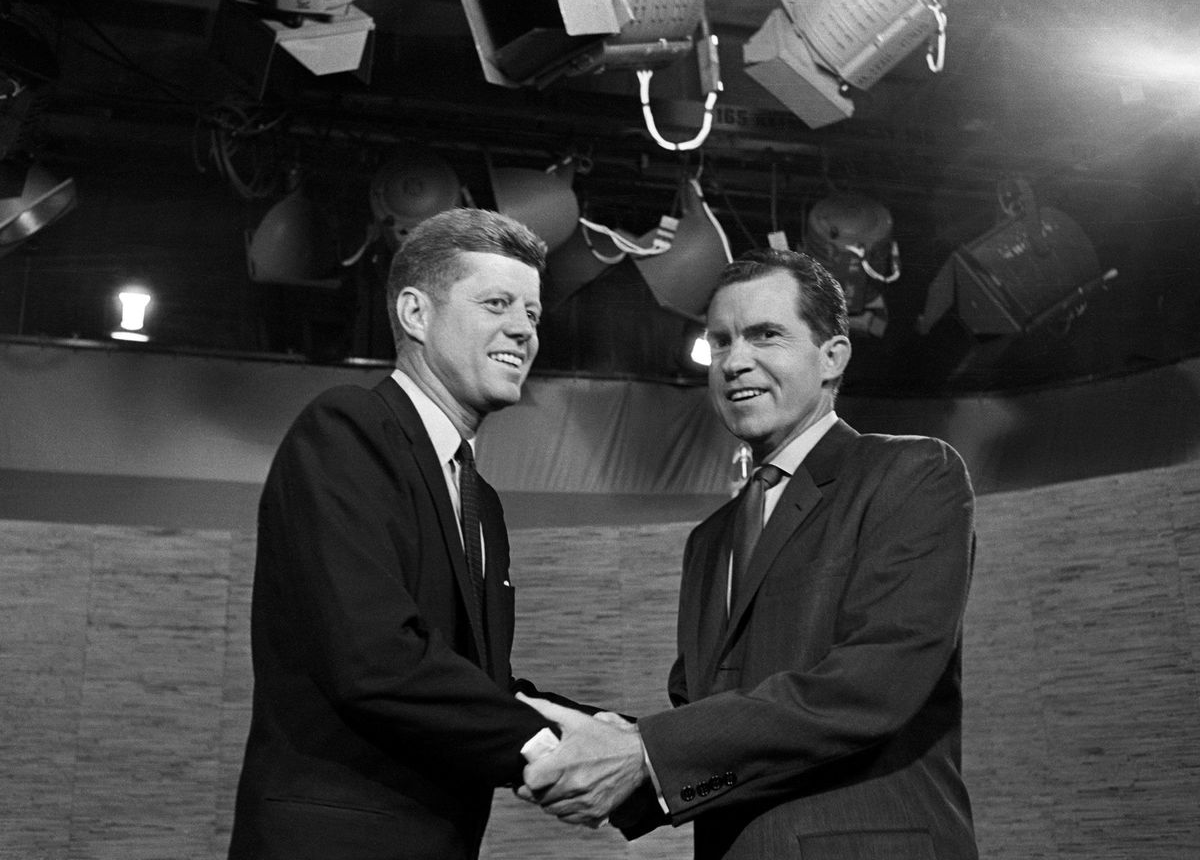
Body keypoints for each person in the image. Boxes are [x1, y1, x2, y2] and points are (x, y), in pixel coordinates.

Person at [519, 248, 978, 860]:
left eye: (766, 335)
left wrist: (645, 753)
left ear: (833, 357)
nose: (735, 361)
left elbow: (873, 685)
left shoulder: (912, 472)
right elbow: (715, 731)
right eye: (721, 341)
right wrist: (584, 751)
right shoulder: (709, 541)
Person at [228, 208, 561, 860]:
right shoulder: (347, 429)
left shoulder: (480, 500)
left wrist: (631, 747)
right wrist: (543, 745)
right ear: (415, 313)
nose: (522, 329)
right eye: (497, 302)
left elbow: (476, 683)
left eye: (533, 314)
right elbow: (374, 658)